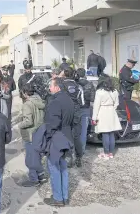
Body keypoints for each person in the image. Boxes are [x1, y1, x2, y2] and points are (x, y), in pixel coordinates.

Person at [43, 78, 75, 206]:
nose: (49, 89)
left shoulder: (55, 102)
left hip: (57, 136)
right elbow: (74, 120)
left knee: (54, 166)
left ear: (57, 87)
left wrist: (48, 137)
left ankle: (57, 198)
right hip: (67, 135)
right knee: (63, 167)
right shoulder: (69, 100)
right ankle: (65, 196)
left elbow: (52, 123)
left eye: (51, 86)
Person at [18, 84, 46, 187]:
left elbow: (28, 121)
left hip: (30, 133)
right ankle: (41, 176)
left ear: (25, 93)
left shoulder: (27, 104)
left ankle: (34, 179)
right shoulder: (39, 99)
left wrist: (19, 125)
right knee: (37, 156)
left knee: (30, 158)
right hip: (39, 132)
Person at [60, 67, 84, 168]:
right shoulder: (78, 86)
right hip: (77, 112)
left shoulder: (61, 85)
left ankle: (68, 157)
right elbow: (82, 102)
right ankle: (79, 158)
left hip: (65, 112)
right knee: (76, 136)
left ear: (64, 74)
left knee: (66, 134)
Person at [92, 75, 121, 160]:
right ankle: (111, 153)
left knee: (105, 133)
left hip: (102, 112)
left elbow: (96, 106)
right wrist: (112, 109)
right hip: (111, 111)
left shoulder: (99, 92)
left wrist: (94, 118)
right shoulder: (115, 91)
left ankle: (106, 153)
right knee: (111, 133)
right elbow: (116, 104)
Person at [76, 68, 96, 153]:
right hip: (86, 108)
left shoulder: (75, 84)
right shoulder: (90, 84)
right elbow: (92, 98)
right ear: (84, 74)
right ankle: (82, 150)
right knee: (84, 131)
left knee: (75, 130)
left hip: (76, 108)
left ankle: (74, 149)